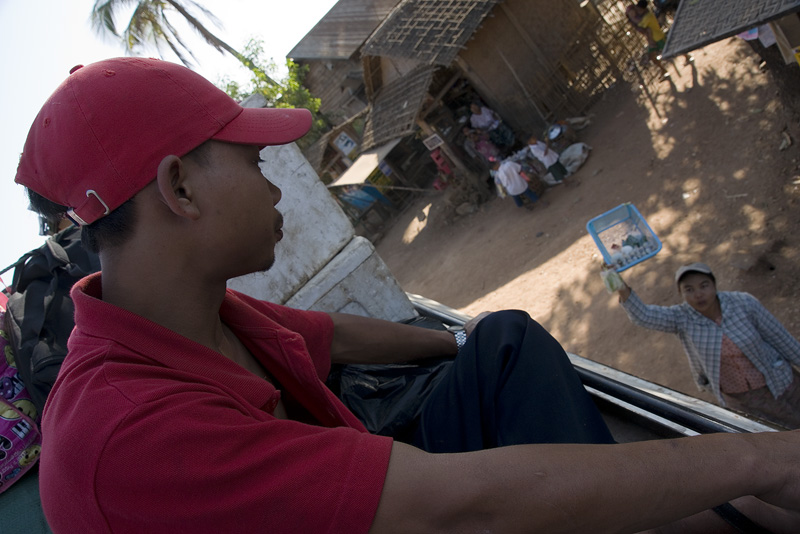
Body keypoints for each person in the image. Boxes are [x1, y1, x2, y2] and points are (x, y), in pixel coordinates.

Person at [14, 57, 800, 534]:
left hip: (383, 485)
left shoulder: (194, 309)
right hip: (414, 509)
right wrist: (761, 461)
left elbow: (333, 336)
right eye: (253, 161)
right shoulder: (129, 440)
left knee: (506, 341)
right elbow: (460, 511)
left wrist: (458, 340)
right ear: (179, 187)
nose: (277, 185)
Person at [616, 262, 800, 429]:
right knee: (779, 437)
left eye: (704, 286)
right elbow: (644, 316)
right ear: (681, 294)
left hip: (780, 381)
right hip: (742, 400)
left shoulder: (743, 303)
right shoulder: (681, 318)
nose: (698, 294)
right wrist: (620, 286)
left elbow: (780, 338)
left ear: (714, 285)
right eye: (689, 289)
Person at [626, 0, 671, 79]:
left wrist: (632, 20)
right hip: (652, 40)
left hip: (658, 38)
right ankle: (663, 70)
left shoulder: (647, 17)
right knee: (652, 57)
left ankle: (686, 56)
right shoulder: (643, 17)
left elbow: (642, 26)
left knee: (671, 50)